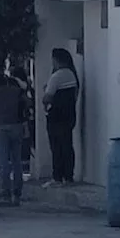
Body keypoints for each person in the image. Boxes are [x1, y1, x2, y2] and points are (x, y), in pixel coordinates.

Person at [0, 62, 28, 206]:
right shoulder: (14, 82)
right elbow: (25, 99)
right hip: (17, 124)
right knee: (17, 161)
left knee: (2, 161)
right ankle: (17, 193)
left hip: (1, 125)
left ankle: (4, 194)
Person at [42, 48, 79, 187]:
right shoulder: (72, 75)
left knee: (56, 146)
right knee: (67, 145)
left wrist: (44, 95)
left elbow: (47, 97)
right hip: (69, 115)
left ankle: (57, 176)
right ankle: (68, 176)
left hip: (55, 116)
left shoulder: (56, 76)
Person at [11, 65, 35, 163]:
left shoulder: (14, 82)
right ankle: (27, 155)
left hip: (18, 114)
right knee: (26, 135)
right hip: (27, 114)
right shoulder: (27, 84)